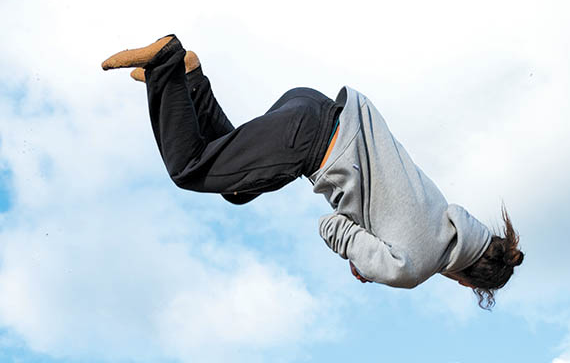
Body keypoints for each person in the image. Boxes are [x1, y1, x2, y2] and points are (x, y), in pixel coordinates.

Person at [102, 34, 523, 307]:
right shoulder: (413, 266)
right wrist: (360, 264)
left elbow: (382, 204)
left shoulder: (446, 214)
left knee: (237, 187)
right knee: (188, 169)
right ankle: (167, 64)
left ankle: (190, 80)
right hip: (309, 143)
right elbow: (330, 227)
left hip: (314, 106)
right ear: (468, 282)